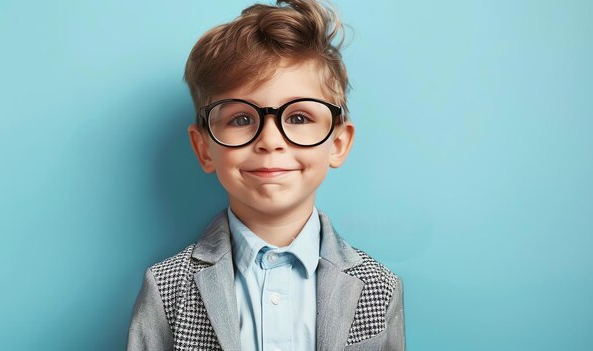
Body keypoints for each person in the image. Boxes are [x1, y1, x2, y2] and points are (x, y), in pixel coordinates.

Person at [126, 0, 405, 350]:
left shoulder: (379, 287)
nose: (270, 141)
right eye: (241, 119)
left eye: (299, 118)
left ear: (337, 143)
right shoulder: (166, 287)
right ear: (203, 149)